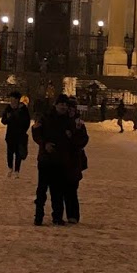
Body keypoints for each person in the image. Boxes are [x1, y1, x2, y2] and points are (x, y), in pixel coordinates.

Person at [32, 94, 82, 226]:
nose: (63, 107)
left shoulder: (69, 121)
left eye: (65, 104)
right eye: (61, 104)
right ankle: (38, 216)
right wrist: (44, 144)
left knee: (57, 191)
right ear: (55, 105)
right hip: (46, 159)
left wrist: (74, 134)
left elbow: (75, 139)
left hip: (61, 160)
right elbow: (37, 133)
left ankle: (57, 216)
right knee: (42, 189)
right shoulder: (45, 117)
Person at [0, 90, 30, 175]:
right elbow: (3, 121)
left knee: (18, 153)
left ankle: (17, 170)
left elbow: (27, 122)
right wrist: (8, 118)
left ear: (18, 100)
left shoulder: (23, 109)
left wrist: (23, 130)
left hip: (20, 135)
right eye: (11, 99)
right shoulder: (8, 108)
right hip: (10, 134)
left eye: (14, 99)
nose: (12, 101)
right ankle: (10, 167)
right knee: (10, 152)